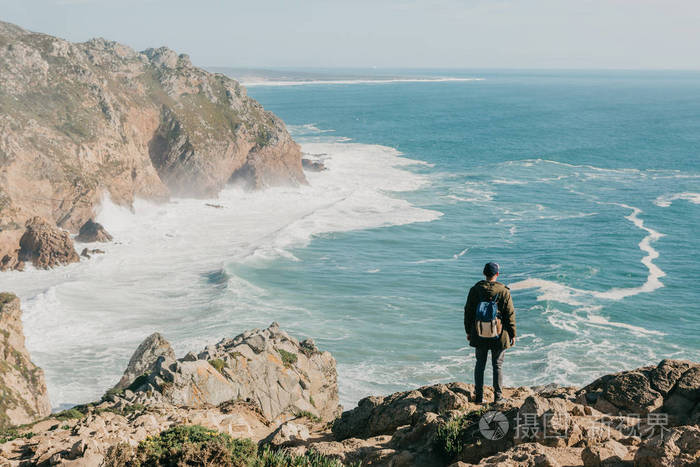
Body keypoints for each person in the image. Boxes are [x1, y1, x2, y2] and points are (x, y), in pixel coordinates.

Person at [464, 262, 516, 404]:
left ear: (484, 274)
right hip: (499, 335)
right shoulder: (503, 291)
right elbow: (510, 314)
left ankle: (479, 398)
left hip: (479, 333)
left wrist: (469, 331)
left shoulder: (475, 290)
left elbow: (468, 312)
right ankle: (498, 397)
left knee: (480, 364)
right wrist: (513, 334)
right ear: (497, 274)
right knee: (497, 365)